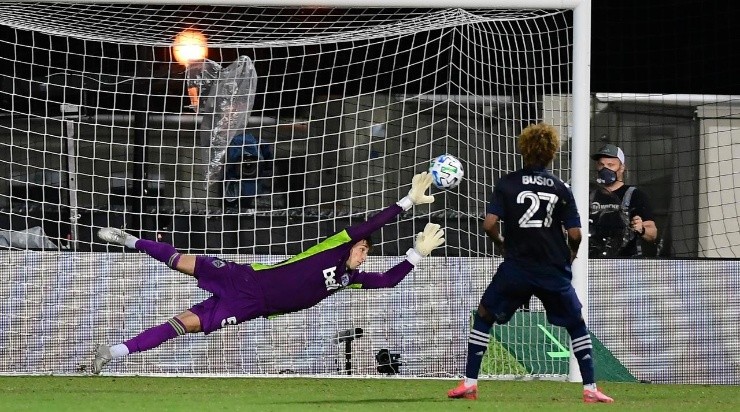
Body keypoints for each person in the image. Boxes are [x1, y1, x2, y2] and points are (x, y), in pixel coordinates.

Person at [92, 172, 445, 374]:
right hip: (245, 277)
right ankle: (131, 239)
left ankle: (112, 352)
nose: (365, 256)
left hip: (249, 306)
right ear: (352, 246)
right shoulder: (334, 246)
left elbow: (387, 280)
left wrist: (416, 253)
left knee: (180, 325)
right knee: (182, 260)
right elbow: (373, 222)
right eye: (364, 249)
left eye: (368, 252)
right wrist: (408, 202)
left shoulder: (347, 280)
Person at [447, 123, 614, 403]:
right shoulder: (562, 188)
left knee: (485, 314)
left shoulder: (507, 183)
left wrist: (502, 245)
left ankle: (470, 383)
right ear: (552, 154)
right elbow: (575, 234)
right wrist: (570, 256)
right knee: (576, 324)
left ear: (523, 149)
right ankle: (590, 388)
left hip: (518, 266)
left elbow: (489, 225)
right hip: (552, 268)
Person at [589, 143, 657, 257]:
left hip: (625, 262)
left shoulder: (635, 195)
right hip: (594, 261)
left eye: (610, 165)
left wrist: (641, 229)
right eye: (601, 164)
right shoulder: (590, 195)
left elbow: (653, 234)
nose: (605, 169)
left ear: (622, 168)